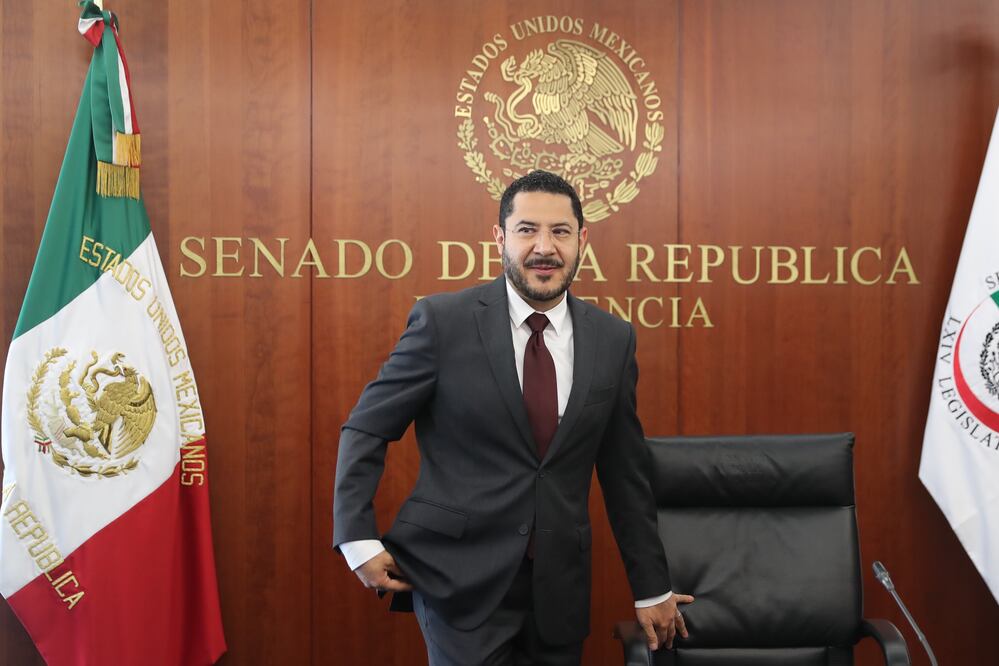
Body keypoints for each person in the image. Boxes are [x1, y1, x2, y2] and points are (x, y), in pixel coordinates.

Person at [333, 170, 692, 665]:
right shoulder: (443, 322)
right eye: (527, 230)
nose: (544, 247)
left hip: (559, 591)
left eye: (560, 232)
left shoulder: (613, 339)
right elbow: (367, 427)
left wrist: (652, 587)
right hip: (457, 579)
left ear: (582, 240)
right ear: (500, 238)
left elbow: (624, 474)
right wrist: (356, 538)